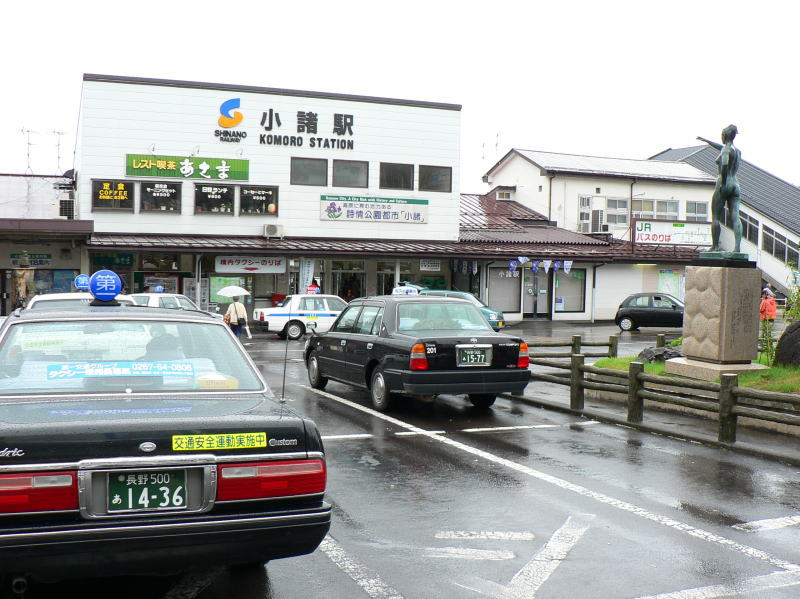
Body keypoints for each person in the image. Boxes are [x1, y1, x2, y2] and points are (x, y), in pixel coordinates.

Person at [697, 125, 742, 253]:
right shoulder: (737, 151)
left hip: (724, 182)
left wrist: (723, 181)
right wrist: (708, 142)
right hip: (735, 184)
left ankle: (715, 246)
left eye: (722, 135)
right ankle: (737, 248)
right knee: (735, 217)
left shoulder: (726, 150)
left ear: (725, 136)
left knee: (716, 216)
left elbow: (725, 163)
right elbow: (722, 147)